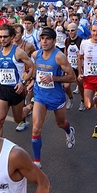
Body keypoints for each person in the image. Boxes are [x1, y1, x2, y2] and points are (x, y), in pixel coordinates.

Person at [30, 27, 76, 168]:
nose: (44, 41)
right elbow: (34, 69)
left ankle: (69, 131)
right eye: (42, 38)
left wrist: (53, 78)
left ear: (54, 41)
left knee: (60, 123)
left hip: (56, 96)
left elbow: (72, 77)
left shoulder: (58, 56)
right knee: (36, 128)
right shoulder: (36, 54)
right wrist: (30, 81)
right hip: (40, 95)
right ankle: (37, 162)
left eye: (48, 38)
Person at [0, 24, 34, 137]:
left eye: (5, 37)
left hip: (16, 90)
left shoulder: (18, 52)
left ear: (12, 37)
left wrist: (23, 82)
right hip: (3, 89)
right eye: (1, 36)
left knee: (18, 119)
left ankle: (31, 105)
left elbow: (33, 67)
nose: (2, 39)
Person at [63, 23, 84, 111]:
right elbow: (65, 54)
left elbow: (84, 55)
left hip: (78, 68)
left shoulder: (81, 41)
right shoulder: (66, 40)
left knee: (80, 87)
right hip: (69, 68)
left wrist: (81, 70)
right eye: (68, 30)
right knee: (66, 86)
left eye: (72, 30)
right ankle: (71, 98)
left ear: (77, 30)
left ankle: (83, 101)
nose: (70, 32)